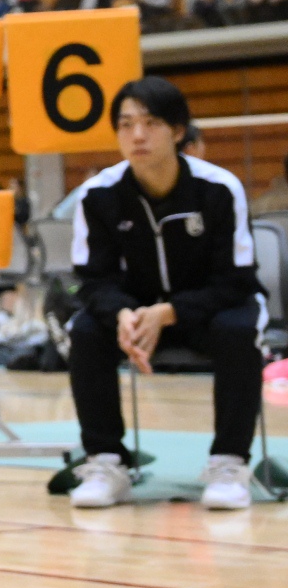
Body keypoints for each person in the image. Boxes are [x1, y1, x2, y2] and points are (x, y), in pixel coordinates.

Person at [65, 78, 262, 511]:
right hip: (137, 315)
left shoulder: (219, 189)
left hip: (207, 311)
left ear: (177, 131)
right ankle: (106, 462)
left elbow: (236, 282)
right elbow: (92, 280)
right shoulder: (98, 195)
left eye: (151, 123)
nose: (137, 135)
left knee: (239, 330)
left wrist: (169, 312)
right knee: (85, 331)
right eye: (126, 124)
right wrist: (123, 314)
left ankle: (229, 463)